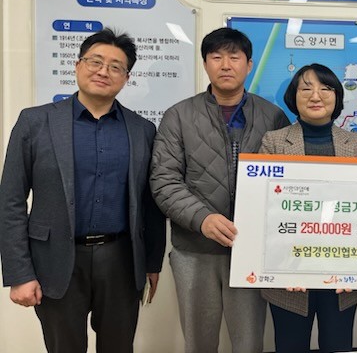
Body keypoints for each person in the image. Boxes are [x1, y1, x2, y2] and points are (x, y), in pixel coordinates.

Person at [0, 28, 166, 353]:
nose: (104, 71)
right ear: (77, 65)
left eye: (115, 67)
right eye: (95, 61)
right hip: (55, 260)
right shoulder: (35, 122)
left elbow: (151, 204)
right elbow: (11, 201)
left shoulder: (142, 130)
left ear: (127, 78)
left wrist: (152, 263)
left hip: (121, 260)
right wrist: (19, 273)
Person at [150, 27, 290, 353]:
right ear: (205, 64)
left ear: (249, 65)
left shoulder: (273, 117)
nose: (225, 65)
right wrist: (202, 218)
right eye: (216, 57)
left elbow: (288, 183)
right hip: (194, 249)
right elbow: (164, 180)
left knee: (249, 343)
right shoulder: (178, 116)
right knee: (198, 343)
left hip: (252, 251)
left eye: (234, 57)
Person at [259, 63, 357, 353]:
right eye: (306, 88)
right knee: (290, 346)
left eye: (326, 88)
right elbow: (264, 210)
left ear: (337, 97)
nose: (316, 95)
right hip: (289, 276)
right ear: (293, 97)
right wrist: (283, 266)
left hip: (342, 275)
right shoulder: (273, 142)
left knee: (338, 345)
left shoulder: (354, 143)